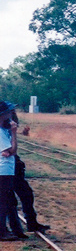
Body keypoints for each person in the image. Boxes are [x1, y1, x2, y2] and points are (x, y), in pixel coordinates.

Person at [10, 112, 48, 233]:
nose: (13, 115)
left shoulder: (7, 130)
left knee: (26, 195)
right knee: (11, 200)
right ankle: (16, 229)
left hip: (13, 167)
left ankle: (30, 224)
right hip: (8, 169)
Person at [0, 101, 25, 241]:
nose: (11, 114)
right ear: (2, 115)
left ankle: (9, 230)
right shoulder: (1, 132)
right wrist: (14, 134)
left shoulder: (4, 131)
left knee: (7, 202)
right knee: (3, 203)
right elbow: (12, 151)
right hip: (2, 171)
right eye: (9, 112)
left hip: (6, 170)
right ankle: (2, 232)